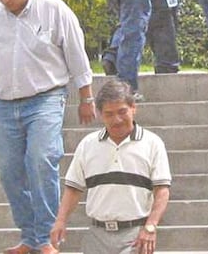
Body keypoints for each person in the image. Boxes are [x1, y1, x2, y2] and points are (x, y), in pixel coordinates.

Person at [0, 0, 97, 254]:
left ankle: (47, 237)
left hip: (45, 98)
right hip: (3, 104)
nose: (5, 0)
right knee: (9, 172)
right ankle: (29, 236)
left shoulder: (54, 9)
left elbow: (76, 54)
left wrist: (86, 97)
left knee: (41, 160)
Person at [50, 79, 171, 254]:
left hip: (136, 235)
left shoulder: (152, 143)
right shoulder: (88, 144)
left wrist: (151, 227)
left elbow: (162, 190)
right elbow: (73, 188)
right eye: (109, 114)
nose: (117, 119)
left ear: (133, 108)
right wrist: (61, 220)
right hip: (97, 235)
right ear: (100, 114)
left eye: (122, 111)